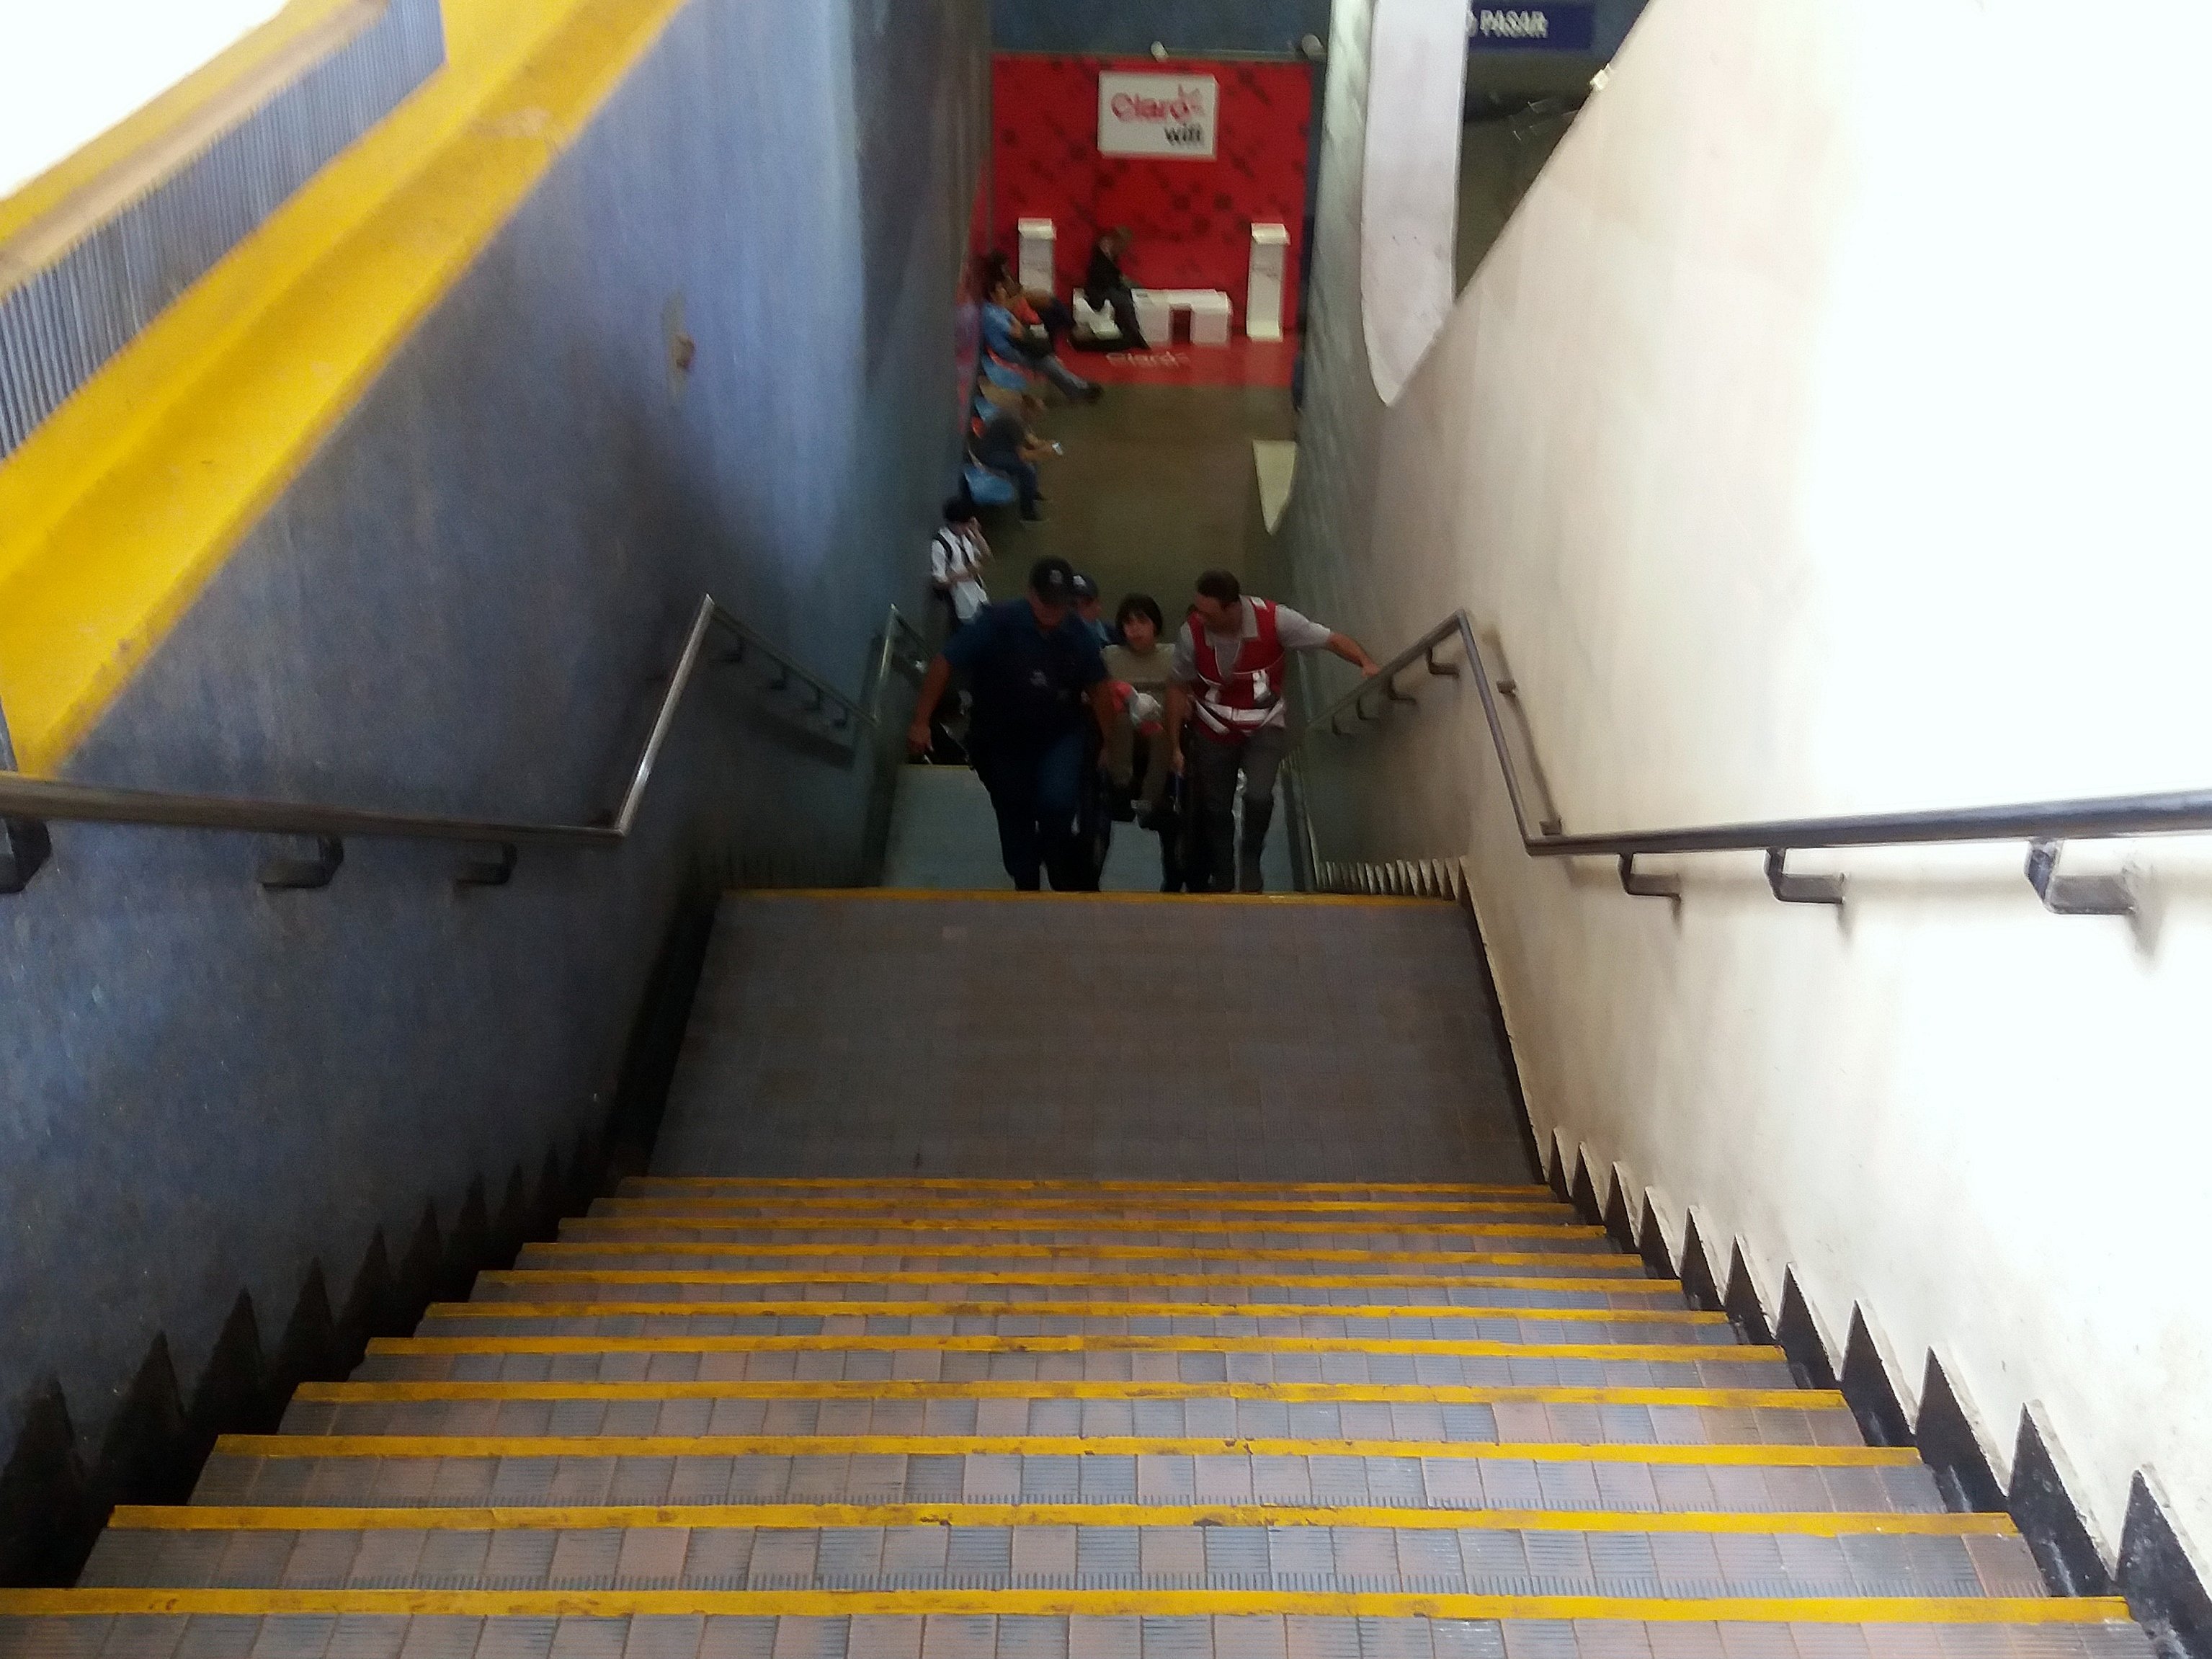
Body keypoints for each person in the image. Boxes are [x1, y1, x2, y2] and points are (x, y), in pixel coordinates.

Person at [909, 558, 1118, 891]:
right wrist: (921, 722)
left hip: (1058, 736)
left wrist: (1110, 742)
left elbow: (1099, 687)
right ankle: (1026, 881)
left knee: (1058, 801)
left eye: (1060, 604)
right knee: (1013, 809)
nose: (1052, 611)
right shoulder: (998, 622)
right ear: (1030, 594)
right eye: (1046, 602)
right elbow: (945, 661)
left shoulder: (1078, 634)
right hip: (1001, 740)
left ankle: (1056, 853)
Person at [1167, 569, 1380, 894]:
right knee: (1215, 806)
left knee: (1260, 795)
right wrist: (1175, 747)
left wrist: (1365, 662)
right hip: (1212, 729)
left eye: (1208, 613)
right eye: (1197, 610)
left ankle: (1250, 854)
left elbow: (1330, 639)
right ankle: (1224, 873)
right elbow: (1176, 686)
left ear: (1233, 607)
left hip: (1264, 726)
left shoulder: (1276, 620)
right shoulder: (1191, 633)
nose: (1200, 618)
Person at [1102, 593, 1185, 891]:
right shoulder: (1111, 657)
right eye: (1128, 623)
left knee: (1161, 732)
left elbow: (1184, 700)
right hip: (1122, 735)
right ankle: (1121, 785)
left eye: (1142, 621)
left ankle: (1150, 798)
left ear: (1155, 625)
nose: (1134, 629)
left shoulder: (1173, 656)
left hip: (1159, 735)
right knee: (1124, 722)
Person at [969, 388, 1055, 521]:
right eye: (1037, 415)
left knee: (1032, 463)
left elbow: (1029, 438)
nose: (1038, 419)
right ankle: (1028, 514)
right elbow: (1023, 455)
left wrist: (1042, 444)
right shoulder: (1015, 421)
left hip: (997, 447)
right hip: (989, 455)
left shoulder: (1018, 413)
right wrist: (1042, 453)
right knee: (1028, 470)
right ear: (1029, 410)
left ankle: (1031, 491)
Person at [929, 497, 991, 629]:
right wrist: (966, 572)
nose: (967, 528)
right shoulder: (941, 545)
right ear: (956, 523)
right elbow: (939, 583)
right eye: (965, 525)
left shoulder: (966, 535)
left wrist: (976, 531)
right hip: (962, 602)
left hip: (978, 594)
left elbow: (986, 554)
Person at [1082, 228, 1147, 351]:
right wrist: (1119, 283)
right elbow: (1102, 279)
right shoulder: (1101, 255)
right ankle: (1134, 334)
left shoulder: (1111, 254)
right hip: (1098, 291)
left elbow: (1113, 276)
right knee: (1122, 300)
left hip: (1107, 287)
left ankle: (1131, 331)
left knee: (1126, 296)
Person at [1073, 575, 1115, 648]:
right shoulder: (1054, 638)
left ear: (1098, 605)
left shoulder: (1118, 636)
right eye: (1073, 605)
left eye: (1086, 603)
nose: (1079, 610)